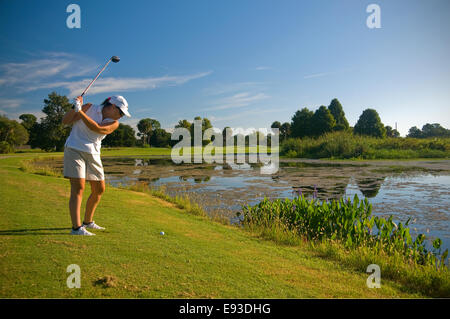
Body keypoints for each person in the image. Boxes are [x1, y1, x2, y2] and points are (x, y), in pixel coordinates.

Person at [61, 95, 131, 235]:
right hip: (75, 148)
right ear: (111, 106)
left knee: (99, 189)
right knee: (78, 187)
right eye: (120, 112)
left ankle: (88, 222)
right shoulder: (89, 107)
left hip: (93, 153)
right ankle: (76, 228)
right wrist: (74, 108)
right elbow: (66, 121)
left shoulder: (114, 122)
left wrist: (79, 111)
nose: (121, 116)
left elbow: (98, 128)